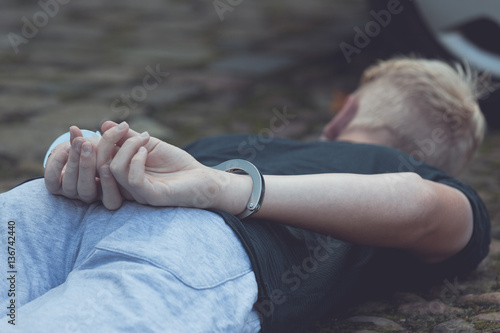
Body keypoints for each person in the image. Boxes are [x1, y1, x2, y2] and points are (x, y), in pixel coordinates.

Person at [0, 57, 491, 333]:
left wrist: (217, 185)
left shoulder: (406, 172)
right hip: (187, 246)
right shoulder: (422, 178)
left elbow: (417, 201)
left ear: (345, 114)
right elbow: (422, 207)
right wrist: (84, 163)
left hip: (59, 216)